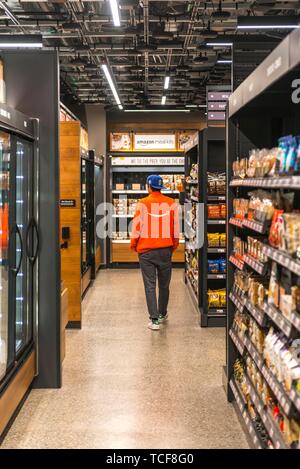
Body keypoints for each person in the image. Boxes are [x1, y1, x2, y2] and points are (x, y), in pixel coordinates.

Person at [130, 175, 180, 331]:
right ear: (161, 187)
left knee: (150, 285)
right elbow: (175, 228)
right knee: (164, 285)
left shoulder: (142, 204)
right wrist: (174, 245)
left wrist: (134, 244)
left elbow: (136, 227)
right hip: (166, 249)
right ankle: (162, 313)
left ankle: (154, 320)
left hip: (146, 250)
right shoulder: (171, 203)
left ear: (148, 187)